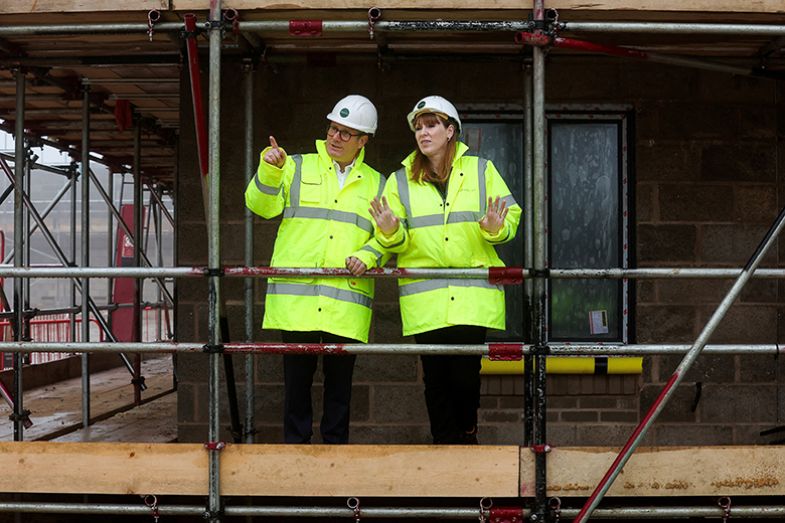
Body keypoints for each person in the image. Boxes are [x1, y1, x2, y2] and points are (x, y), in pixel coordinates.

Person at [369, 95, 521, 444]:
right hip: (427, 299)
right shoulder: (400, 181)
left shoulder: (482, 170)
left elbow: (510, 217)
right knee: (435, 379)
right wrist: (390, 231)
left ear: (450, 130)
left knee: (465, 376)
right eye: (418, 127)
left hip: (472, 297)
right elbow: (396, 242)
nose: (423, 133)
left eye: (431, 125)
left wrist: (495, 228)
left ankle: (467, 433)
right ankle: (444, 447)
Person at [244, 94, 387, 444]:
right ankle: (297, 456)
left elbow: (388, 237)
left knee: (340, 391)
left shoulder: (378, 183)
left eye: (345, 133)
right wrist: (270, 169)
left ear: (363, 140)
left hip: (345, 303)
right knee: (296, 387)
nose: (335, 137)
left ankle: (335, 458)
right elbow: (260, 206)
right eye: (332, 128)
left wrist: (368, 255)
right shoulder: (295, 166)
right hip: (298, 302)